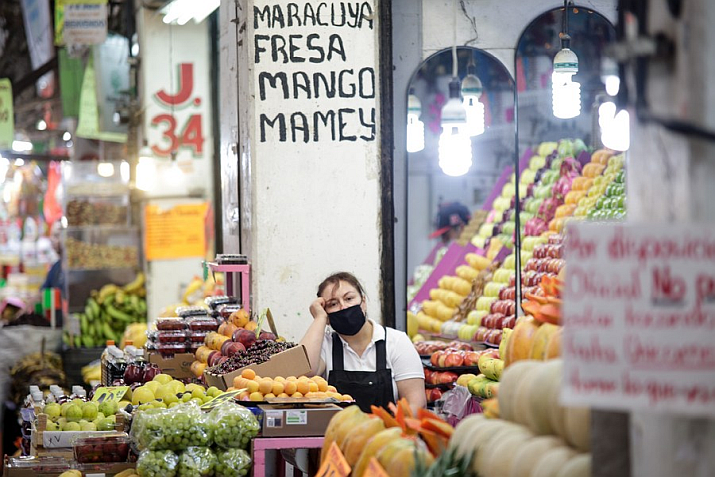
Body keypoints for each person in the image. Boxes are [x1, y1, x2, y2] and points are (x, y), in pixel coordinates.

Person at [300, 272, 426, 414]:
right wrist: (319, 319)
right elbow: (304, 371)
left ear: (363, 302)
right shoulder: (325, 345)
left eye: (349, 298)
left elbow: (416, 404)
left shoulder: (396, 342)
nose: (343, 307)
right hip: (339, 434)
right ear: (327, 314)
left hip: (387, 432)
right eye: (333, 304)